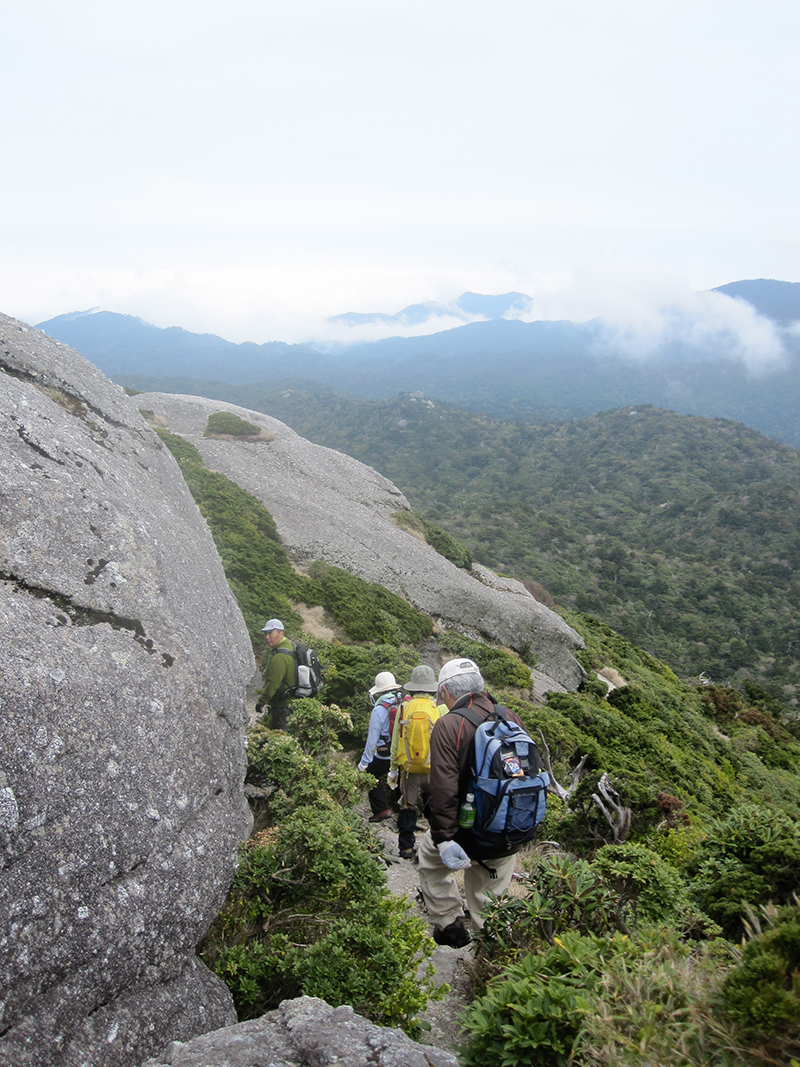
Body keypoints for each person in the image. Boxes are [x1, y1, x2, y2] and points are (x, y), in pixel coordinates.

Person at [417, 657, 525, 948]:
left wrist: (444, 838)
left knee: (429, 862)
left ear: (445, 692)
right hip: (508, 829)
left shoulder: (450, 724)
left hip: (467, 830)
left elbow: (444, 789)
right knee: (489, 897)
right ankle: (492, 957)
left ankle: (449, 922)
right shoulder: (510, 716)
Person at [387, 665, 444, 860]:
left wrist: (393, 770)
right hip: (434, 769)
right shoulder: (440, 708)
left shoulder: (404, 708)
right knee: (434, 807)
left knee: (407, 807)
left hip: (409, 770)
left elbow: (396, 742)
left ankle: (406, 847)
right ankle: (435, 846)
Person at [358, 671, 403, 823]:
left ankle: (381, 810)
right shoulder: (404, 703)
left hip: (386, 754)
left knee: (371, 774)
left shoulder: (379, 709)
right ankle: (405, 810)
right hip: (403, 752)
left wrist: (364, 763)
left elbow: (372, 741)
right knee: (398, 777)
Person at [257, 618, 297, 730]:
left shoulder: (280, 655)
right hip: (290, 704)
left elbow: (273, 682)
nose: (267, 637)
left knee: (281, 736)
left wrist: (261, 702)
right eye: (265, 634)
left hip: (283, 707)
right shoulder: (289, 646)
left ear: (281, 633)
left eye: (270, 633)